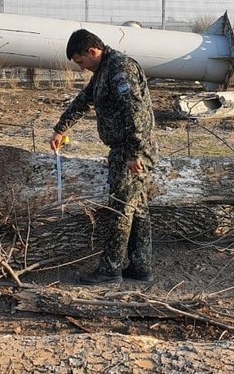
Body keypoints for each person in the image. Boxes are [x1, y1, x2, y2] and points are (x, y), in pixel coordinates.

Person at [49, 29, 158, 285]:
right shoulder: (103, 70)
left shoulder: (120, 68)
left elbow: (135, 112)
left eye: (81, 61)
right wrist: (61, 128)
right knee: (137, 208)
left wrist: (133, 152)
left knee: (119, 209)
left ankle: (110, 270)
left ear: (92, 51)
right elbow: (84, 100)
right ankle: (141, 266)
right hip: (127, 148)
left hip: (132, 150)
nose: (82, 67)